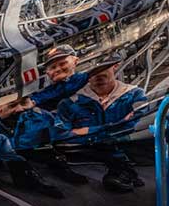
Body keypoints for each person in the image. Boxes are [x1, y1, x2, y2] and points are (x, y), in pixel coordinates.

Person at [55, 61, 148, 191]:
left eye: (103, 68)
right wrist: (113, 129)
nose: (98, 74)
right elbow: (62, 135)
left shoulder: (135, 95)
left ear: (115, 66)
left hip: (131, 154)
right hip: (87, 161)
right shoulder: (70, 102)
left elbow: (141, 124)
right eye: (92, 71)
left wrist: (86, 132)